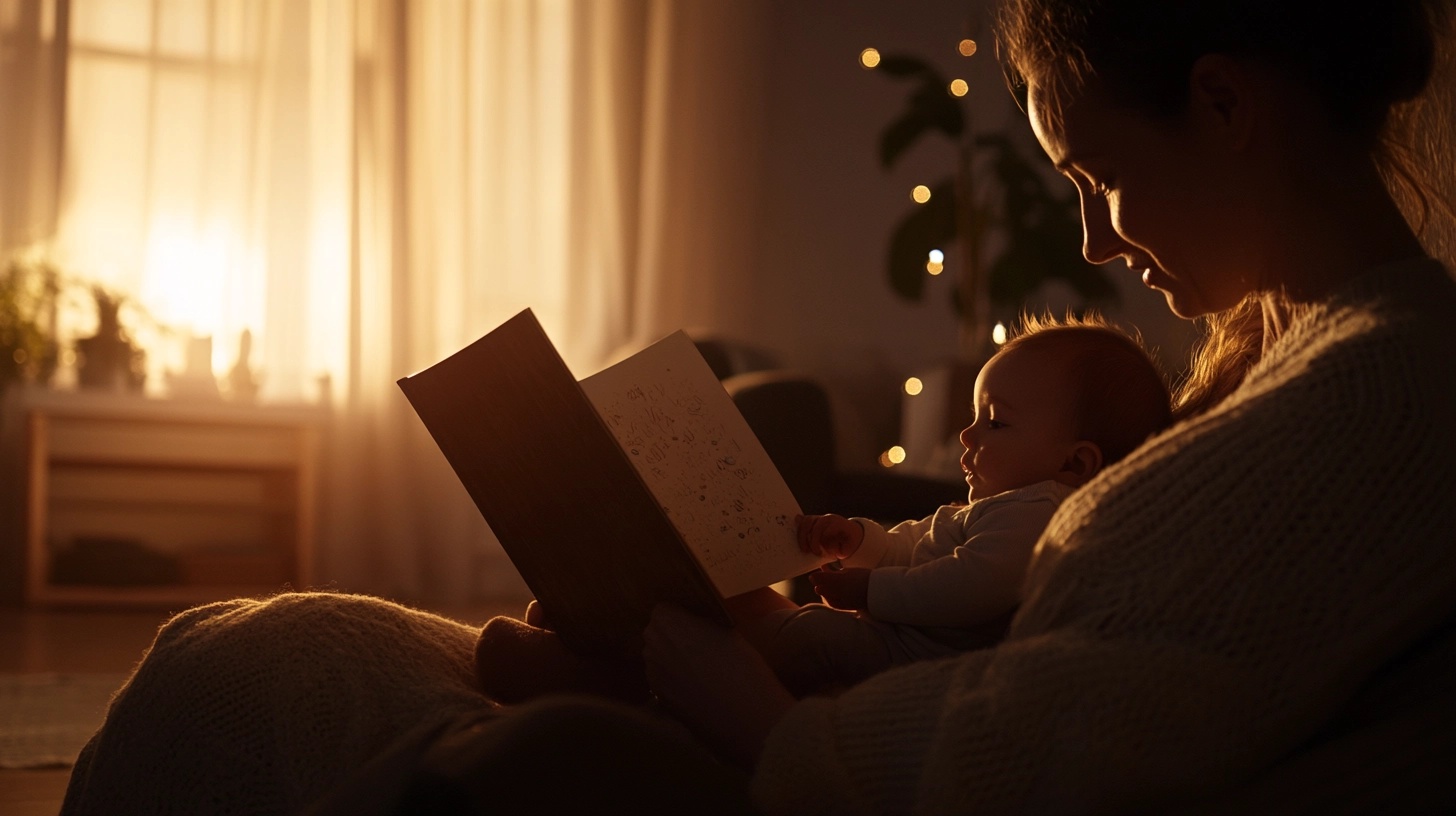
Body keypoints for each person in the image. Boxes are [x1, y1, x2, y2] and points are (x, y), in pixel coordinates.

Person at [61, 1, 1456, 814]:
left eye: (1095, 176)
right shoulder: (1291, 358)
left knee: (256, 673)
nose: (1095, 241)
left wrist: (767, 714)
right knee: (256, 648)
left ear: (1224, 105)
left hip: (829, 771)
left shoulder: (1382, 393)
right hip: (840, 718)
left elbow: (1071, 734)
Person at [741, 316, 1172, 696]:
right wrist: (859, 540)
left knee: (808, 636)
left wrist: (872, 590)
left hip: (918, 661)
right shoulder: (993, 507)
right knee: (803, 627)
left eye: (995, 422)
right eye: (974, 416)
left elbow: (968, 586)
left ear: (1075, 463)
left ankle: (737, 684)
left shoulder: (1036, 512)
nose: (967, 435)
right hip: (896, 639)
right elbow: (911, 547)